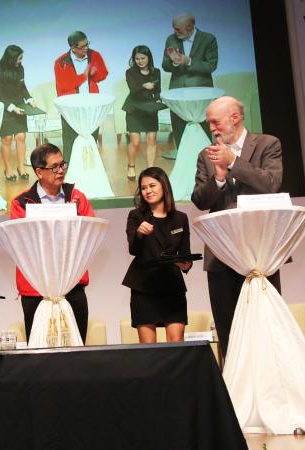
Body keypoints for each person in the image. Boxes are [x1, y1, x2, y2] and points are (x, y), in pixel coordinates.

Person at [191, 95, 283, 358]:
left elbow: (271, 184)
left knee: (265, 327)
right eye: (209, 124)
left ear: (235, 117)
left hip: (260, 252)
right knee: (228, 328)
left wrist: (233, 162)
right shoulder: (206, 155)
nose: (212, 129)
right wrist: (218, 178)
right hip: (221, 254)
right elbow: (200, 200)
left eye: (215, 122)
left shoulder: (267, 144)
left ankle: (269, 379)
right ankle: (232, 382)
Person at [10, 143, 95, 341]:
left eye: (62, 164)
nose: (61, 170)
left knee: (76, 346)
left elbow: (89, 235)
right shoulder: (21, 203)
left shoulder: (77, 197)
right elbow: (23, 243)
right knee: (39, 349)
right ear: (39, 172)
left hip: (72, 285)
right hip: (36, 289)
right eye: (54, 167)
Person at [123, 167, 192, 343]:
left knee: (177, 343)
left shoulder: (180, 218)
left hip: (173, 286)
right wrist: (139, 233)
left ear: (164, 186)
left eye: (152, 185)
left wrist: (186, 264)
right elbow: (133, 249)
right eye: (143, 187)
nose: (148, 191)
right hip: (144, 287)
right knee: (149, 348)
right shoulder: (136, 216)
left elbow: (185, 254)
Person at [162, 12, 218, 149]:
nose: (175, 32)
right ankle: (182, 155)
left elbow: (211, 66)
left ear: (189, 26)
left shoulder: (208, 39)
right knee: (178, 125)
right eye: (174, 28)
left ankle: (205, 157)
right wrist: (174, 63)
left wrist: (189, 61)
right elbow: (165, 65)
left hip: (200, 92)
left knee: (203, 127)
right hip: (177, 91)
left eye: (177, 29)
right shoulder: (171, 39)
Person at [54, 31, 108, 162]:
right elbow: (64, 85)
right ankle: (69, 169)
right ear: (73, 48)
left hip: (91, 105)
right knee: (70, 141)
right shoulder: (61, 62)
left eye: (87, 44)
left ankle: (91, 167)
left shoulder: (94, 55)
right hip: (71, 108)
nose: (86, 48)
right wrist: (84, 76)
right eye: (82, 46)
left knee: (91, 139)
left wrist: (95, 73)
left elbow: (104, 74)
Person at [0, 44, 36, 182]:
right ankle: (8, 170)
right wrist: (12, 108)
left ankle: (21, 168)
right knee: (7, 139)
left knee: (21, 137)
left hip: (19, 106)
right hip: (6, 108)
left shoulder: (20, 69)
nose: (21, 61)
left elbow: (22, 87)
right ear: (11, 59)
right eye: (19, 58)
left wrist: (29, 99)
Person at [123, 45, 162, 179]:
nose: (140, 61)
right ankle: (131, 166)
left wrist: (158, 100)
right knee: (135, 141)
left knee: (152, 139)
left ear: (148, 58)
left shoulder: (156, 72)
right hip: (134, 109)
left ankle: (150, 169)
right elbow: (133, 90)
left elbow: (158, 90)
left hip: (150, 109)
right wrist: (144, 86)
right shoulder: (130, 72)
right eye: (137, 59)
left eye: (143, 58)